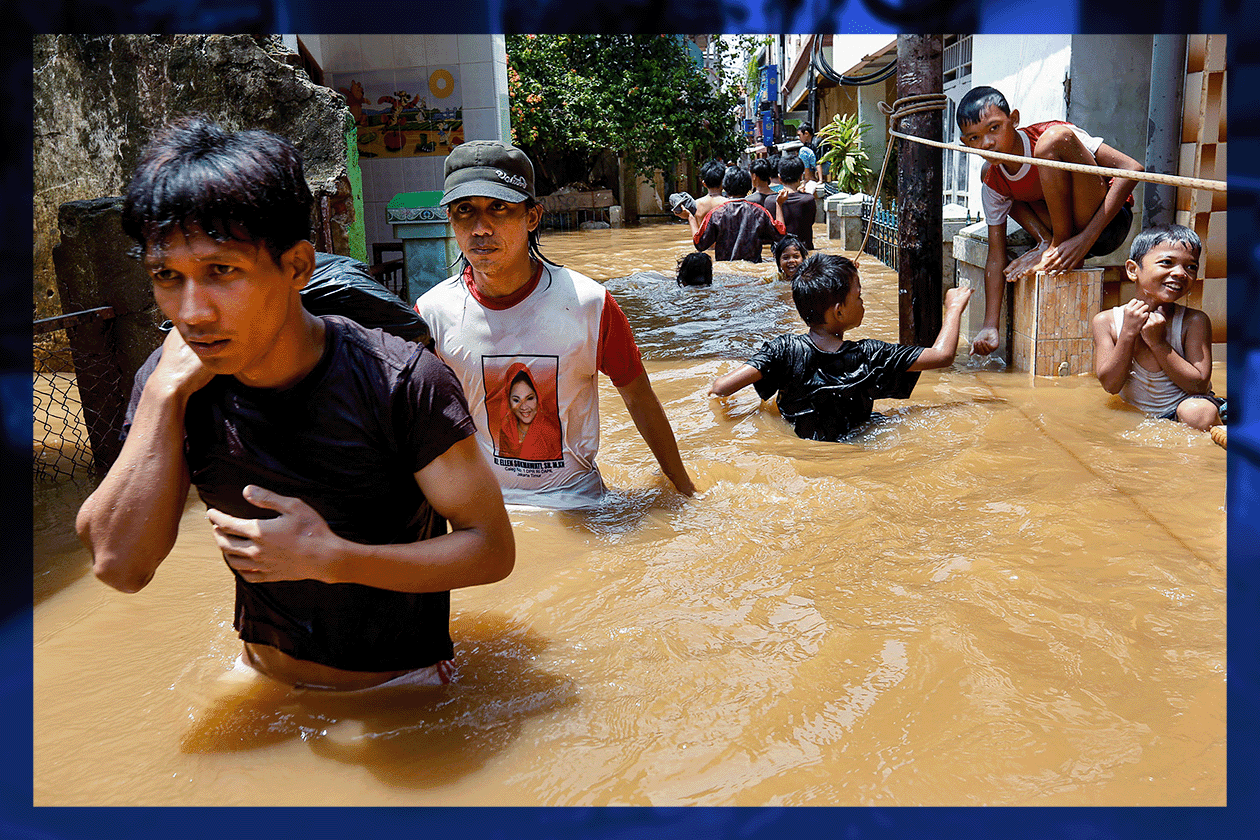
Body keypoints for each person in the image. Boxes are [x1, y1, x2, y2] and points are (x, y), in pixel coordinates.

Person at [75, 118, 514, 692]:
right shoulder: (171, 387)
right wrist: (163, 394)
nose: (192, 312)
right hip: (258, 681)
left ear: (297, 266)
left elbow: (491, 550)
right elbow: (117, 565)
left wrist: (333, 558)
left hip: (399, 693)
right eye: (166, 276)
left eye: (221, 271)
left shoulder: (401, 382)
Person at [415, 140, 696, 508]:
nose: (480, 228)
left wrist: (686, 494)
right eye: (465, 210)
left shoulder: (588, 303)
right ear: (450, 219)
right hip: (485, 513)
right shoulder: (432, 312)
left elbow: (639, 398)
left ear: (532, 217)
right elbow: (419, 425)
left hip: (579, 503)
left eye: (498, 208)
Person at [956, 86, 1143, 356]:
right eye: (975, 138)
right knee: (993, 178)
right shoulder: (993, 179)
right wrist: (990, 326)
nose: (986, 143)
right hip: (1066, 229)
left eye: (994, 128)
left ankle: (1055, 244)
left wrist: (1082, 241)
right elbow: (995, 256)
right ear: (966, 143)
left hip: (1107, 225)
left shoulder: (1044, 135)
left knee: (1054, 140)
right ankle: (1047, 241)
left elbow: (1132, 169)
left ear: (1014, 119)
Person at [710, 253, 973, 441]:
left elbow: (721, 388)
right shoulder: (870, 354)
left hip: (798, 450)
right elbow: (942, 355)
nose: (862, 303)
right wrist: (954, 308)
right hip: (859, 445)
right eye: (858, 296)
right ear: (838, 312)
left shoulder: (782, 349)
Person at [1091, 224, 1225, 431]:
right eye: (1167, 262)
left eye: (1191, 266)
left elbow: (1198, 386)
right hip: (1140, 417)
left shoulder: (1193, 321)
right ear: (1133, 270)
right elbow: (1110, 386)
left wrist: (1158, 343)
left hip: (1186, 411)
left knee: (1196, 411)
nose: (1181, 273)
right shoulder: (1106, 322)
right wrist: (1128, 333)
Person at [677, 166, 785, 264]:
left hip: (725, 272)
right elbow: (780, 234)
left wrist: (690, 218)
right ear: (748, 186)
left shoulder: (716, 214)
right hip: (753, 271)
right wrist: (779, 204)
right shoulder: (759, 212)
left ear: (725, 186)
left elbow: (699, 244)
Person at [773, 156, 816, 250]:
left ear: (779, 178)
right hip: (804, 251)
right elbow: (811, 221)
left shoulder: (770, 201)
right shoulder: (808, 199)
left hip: (781, 253)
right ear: (801, 177)